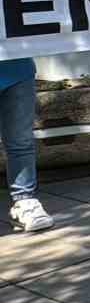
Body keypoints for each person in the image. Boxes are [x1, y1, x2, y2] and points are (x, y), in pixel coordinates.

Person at [1, 58, 53, 232]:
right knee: (20, 142)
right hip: (17, 70)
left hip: (17, 70)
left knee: (21, 140)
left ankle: (25, 202)